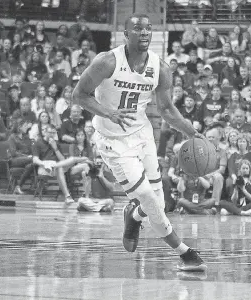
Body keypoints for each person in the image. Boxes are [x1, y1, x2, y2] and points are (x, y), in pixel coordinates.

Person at [72, 14, 207, 271]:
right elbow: (78, 95)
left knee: (159, 201)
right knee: (147, 196)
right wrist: (107, 112)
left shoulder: (160, 67)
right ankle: (185, 252)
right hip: (112, 140)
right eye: (138, 29)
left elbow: (166, 110)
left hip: (142, 135)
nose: (144, 33)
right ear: (126, 34)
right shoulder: (106, 61)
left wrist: (192, 133)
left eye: (148, 29)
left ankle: (133, 216)